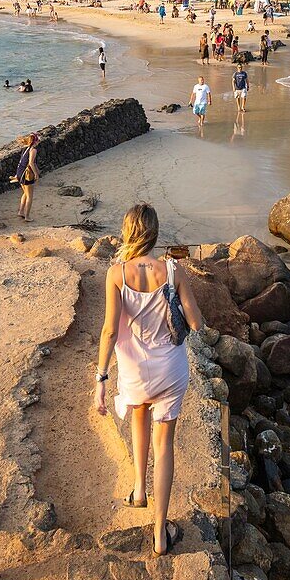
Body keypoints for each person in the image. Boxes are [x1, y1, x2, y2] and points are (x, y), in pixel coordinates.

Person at [93, 204, 203, 556]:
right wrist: (180, 286)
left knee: (137, 417)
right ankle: (159, 534)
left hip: (135, 371)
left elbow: (110, 330)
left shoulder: (116, 273)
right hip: (170, 370)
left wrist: (101, 377)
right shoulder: (173, 270)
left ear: (127, 231)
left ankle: (139, 489)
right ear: (155, 233)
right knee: (165, 446)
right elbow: (198, 324)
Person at [13, 133, 39, 221]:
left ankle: (21, 211)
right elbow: (31, 163)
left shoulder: (25, 148)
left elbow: (26, 161)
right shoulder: (33, 150)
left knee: (25, 193)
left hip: (20, 173)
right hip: (26, 175)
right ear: (35, 141)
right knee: (30, 196)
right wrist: (36, 174)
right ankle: (27, 217)